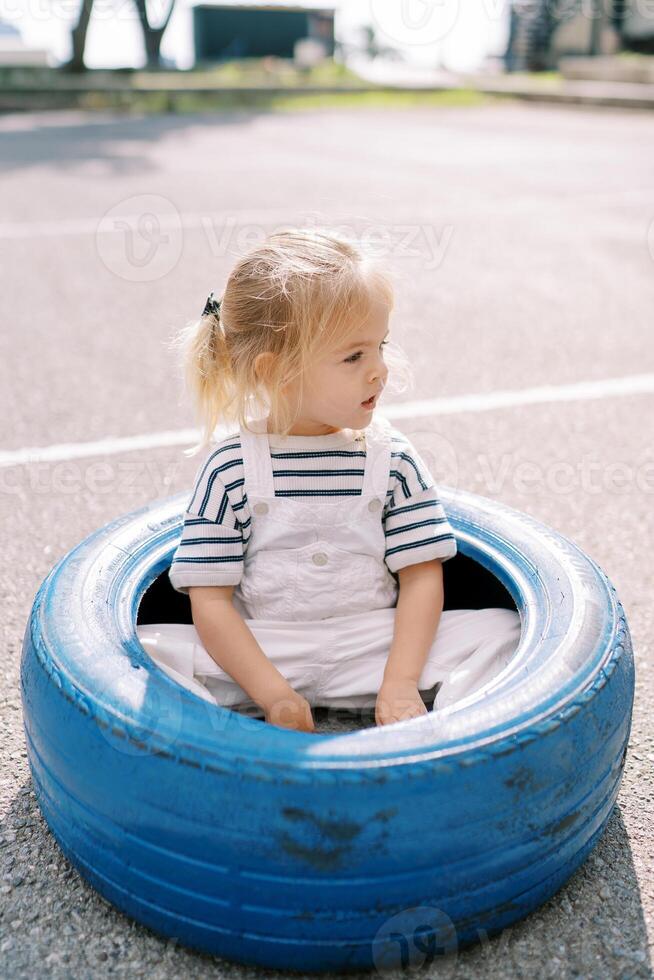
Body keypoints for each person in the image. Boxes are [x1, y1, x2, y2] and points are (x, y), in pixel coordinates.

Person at [136, 228, 521, 733]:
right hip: (264, 649)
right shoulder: (230, 468)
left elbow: (422, 576)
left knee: (504, 630)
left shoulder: (393, 459)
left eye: (380, 346)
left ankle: (449, 744)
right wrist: (275, 696)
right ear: (278, 372)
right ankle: (231, 749)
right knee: (148, 652)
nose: (380, 370)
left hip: (376, 645)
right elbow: (209, 600)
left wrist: (401, 681)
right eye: (353, 356)